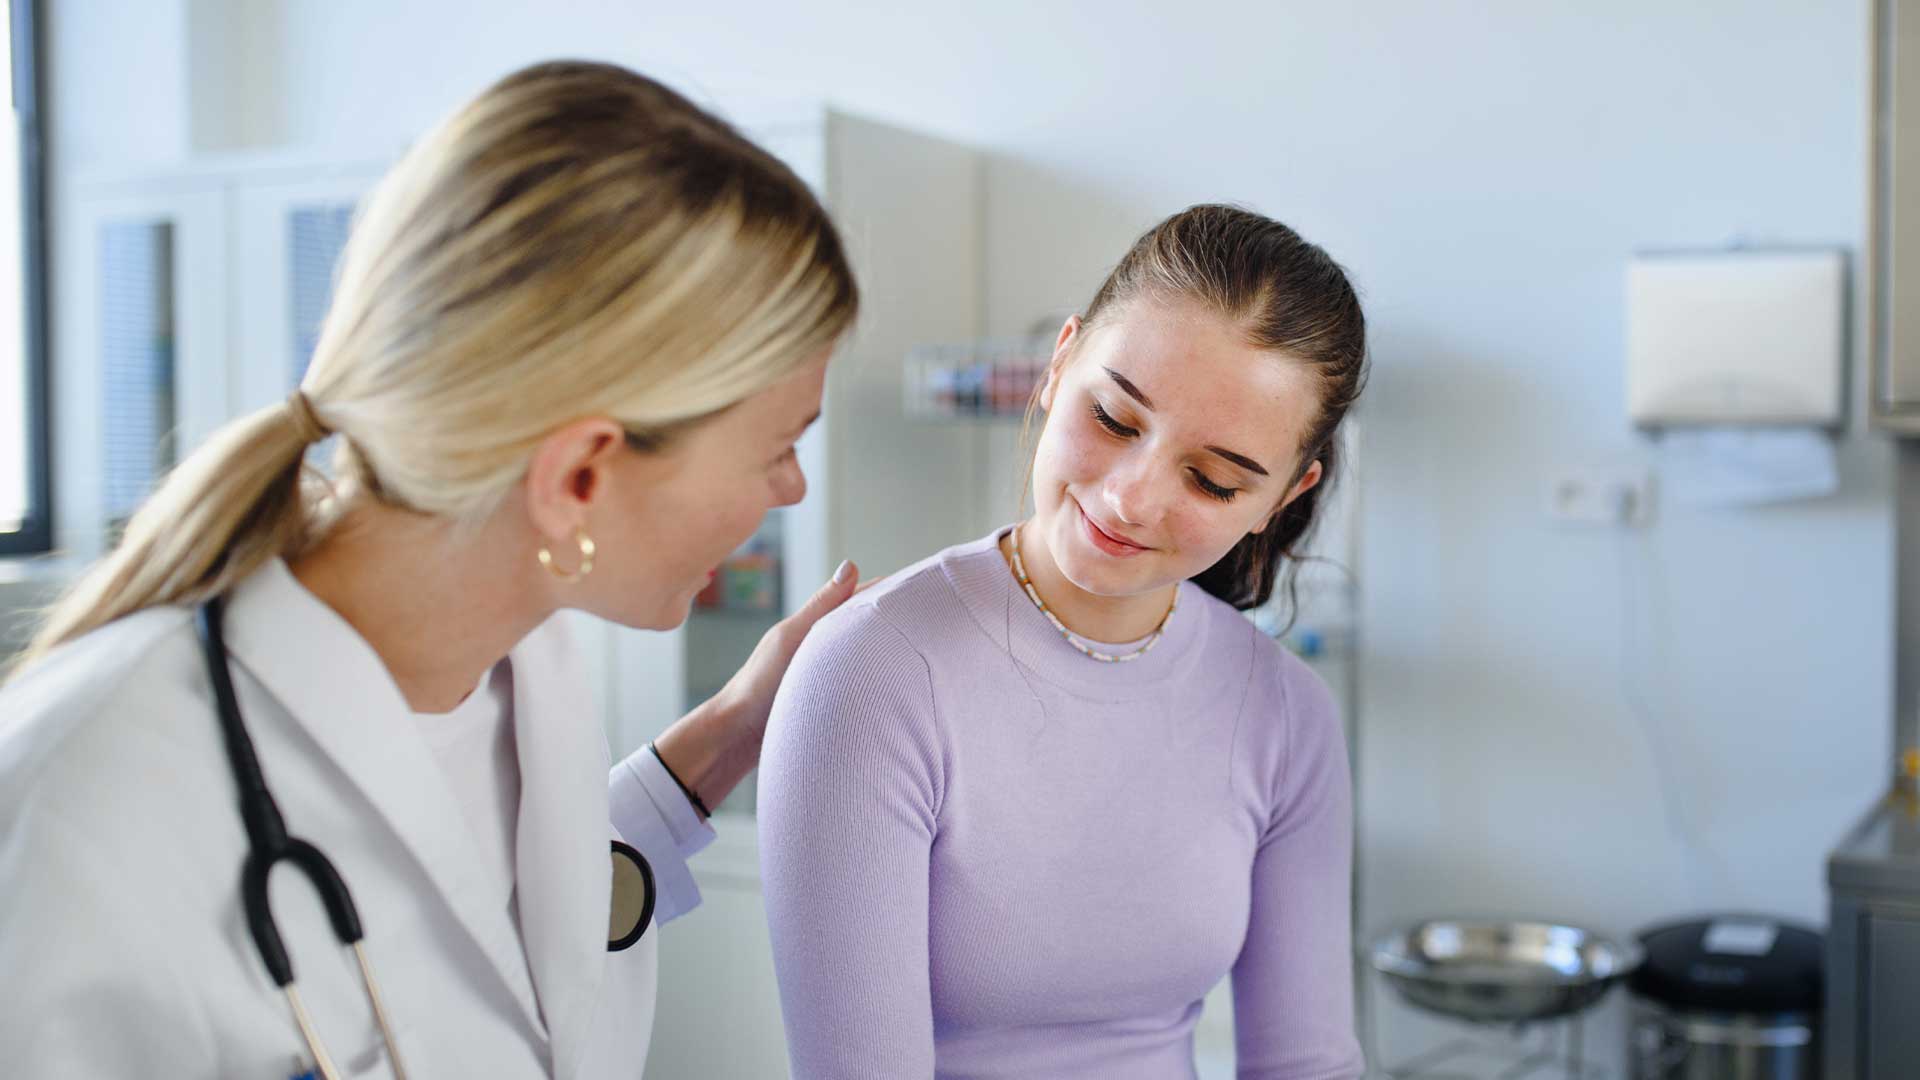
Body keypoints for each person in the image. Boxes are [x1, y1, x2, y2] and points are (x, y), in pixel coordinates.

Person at [0, 60, 862, 1079]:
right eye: (778, 447)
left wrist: (731, 732)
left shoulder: (522, 660)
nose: (793, 490)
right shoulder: (76, 813)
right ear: (580, 475)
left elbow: (505, 923)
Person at [759, 204, 1369, 1080]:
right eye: (1114, 419)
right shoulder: (873, 674)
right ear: (1060, 361)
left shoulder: (1285, 712)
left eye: (1211, 480)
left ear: (1284, 496)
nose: (1130, 499)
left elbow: (1307, 1064)